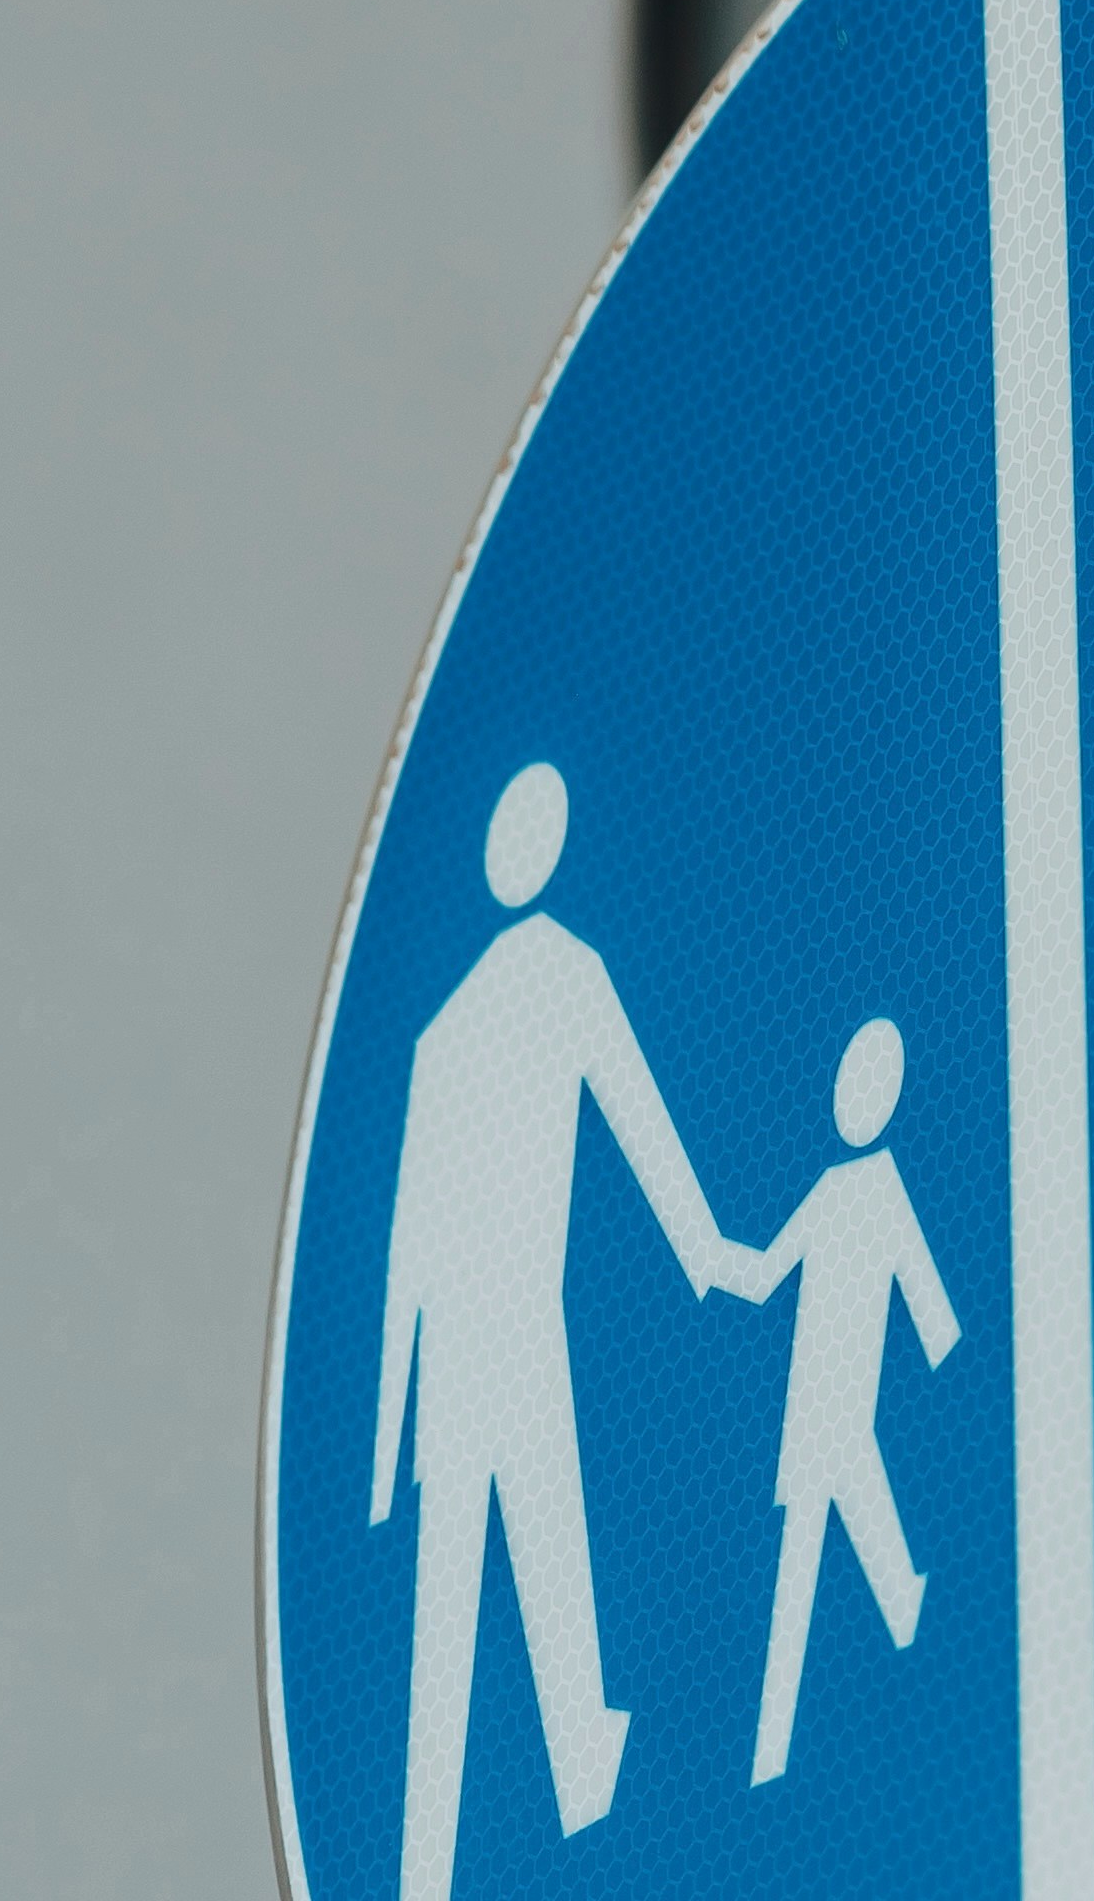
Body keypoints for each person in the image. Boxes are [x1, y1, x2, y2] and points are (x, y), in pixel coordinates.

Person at [369, 761, 752, 1901]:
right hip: (518, 1337)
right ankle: (583, 1761)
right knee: (548, 1555)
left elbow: (403, 1260)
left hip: (453, 1361)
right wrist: (709, 1255)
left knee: (461, 1599)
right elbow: (640, 1125)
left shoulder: (441, 1030)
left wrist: (391, 1437)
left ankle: (428, 1856)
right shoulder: (561, 972)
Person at [742, 1016, 963, 1783]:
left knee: (827, 1551)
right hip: (813, 1410)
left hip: (844, 1410)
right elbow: (771, 1273)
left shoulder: (883, 1193)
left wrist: (948, 1360)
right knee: (828, 1549)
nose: (848, 1101)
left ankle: (776, 1744)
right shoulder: (831, 1189)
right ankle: (772, 1748)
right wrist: (717, 1262)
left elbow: (932, 1307)